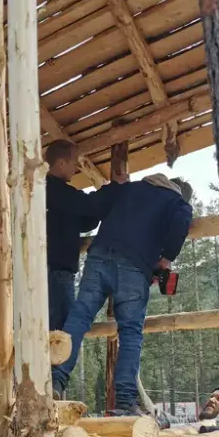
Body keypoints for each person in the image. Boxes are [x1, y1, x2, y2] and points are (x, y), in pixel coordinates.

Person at [52, 173, 193, 413]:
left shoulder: (129, 188)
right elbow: (181, 220)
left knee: (79, 317)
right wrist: (166, 258)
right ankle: (125, 402)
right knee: (130, 332)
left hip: (98, 256)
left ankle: (56, 379)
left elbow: (98, 206)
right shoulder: (175, 201)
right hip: (135, 266)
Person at [44, 140, 124, 330]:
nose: (76, 168)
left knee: (60, 329)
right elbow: (89, 206)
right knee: (62, 332)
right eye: (74, 163)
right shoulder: (53, 189)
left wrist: (98, 208)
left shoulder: (53, 194)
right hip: (55, 271)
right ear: (61, 163)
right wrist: (114, 188)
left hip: (55, 270)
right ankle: (56, 362)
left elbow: (85, 218)